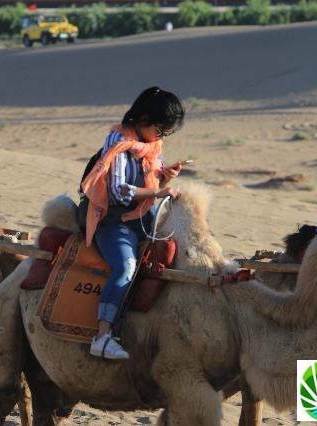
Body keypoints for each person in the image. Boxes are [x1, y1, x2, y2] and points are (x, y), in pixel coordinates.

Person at [80, 87, 185, 360]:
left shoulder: (151, 147)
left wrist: (165, 177)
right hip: (112, 220)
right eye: (161, 129)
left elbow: (150, 185)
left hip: (142, 220)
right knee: (126, 266)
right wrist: (158, 192)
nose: (162, 136)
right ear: (144, 118)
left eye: (167, 133)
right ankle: (102, 336)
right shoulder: (119, 141)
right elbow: (117, 190)